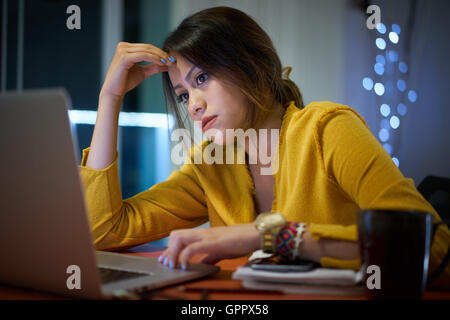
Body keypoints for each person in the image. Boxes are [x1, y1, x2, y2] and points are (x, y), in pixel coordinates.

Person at [78, 6, 449, 288]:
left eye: (202, 78)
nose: (192, 105)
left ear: (250, 66)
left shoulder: (327, 129)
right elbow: (102, 232)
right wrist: (109, 98)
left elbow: (428, 247)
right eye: (183, 94)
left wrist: (269, 235)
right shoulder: (212, 164)